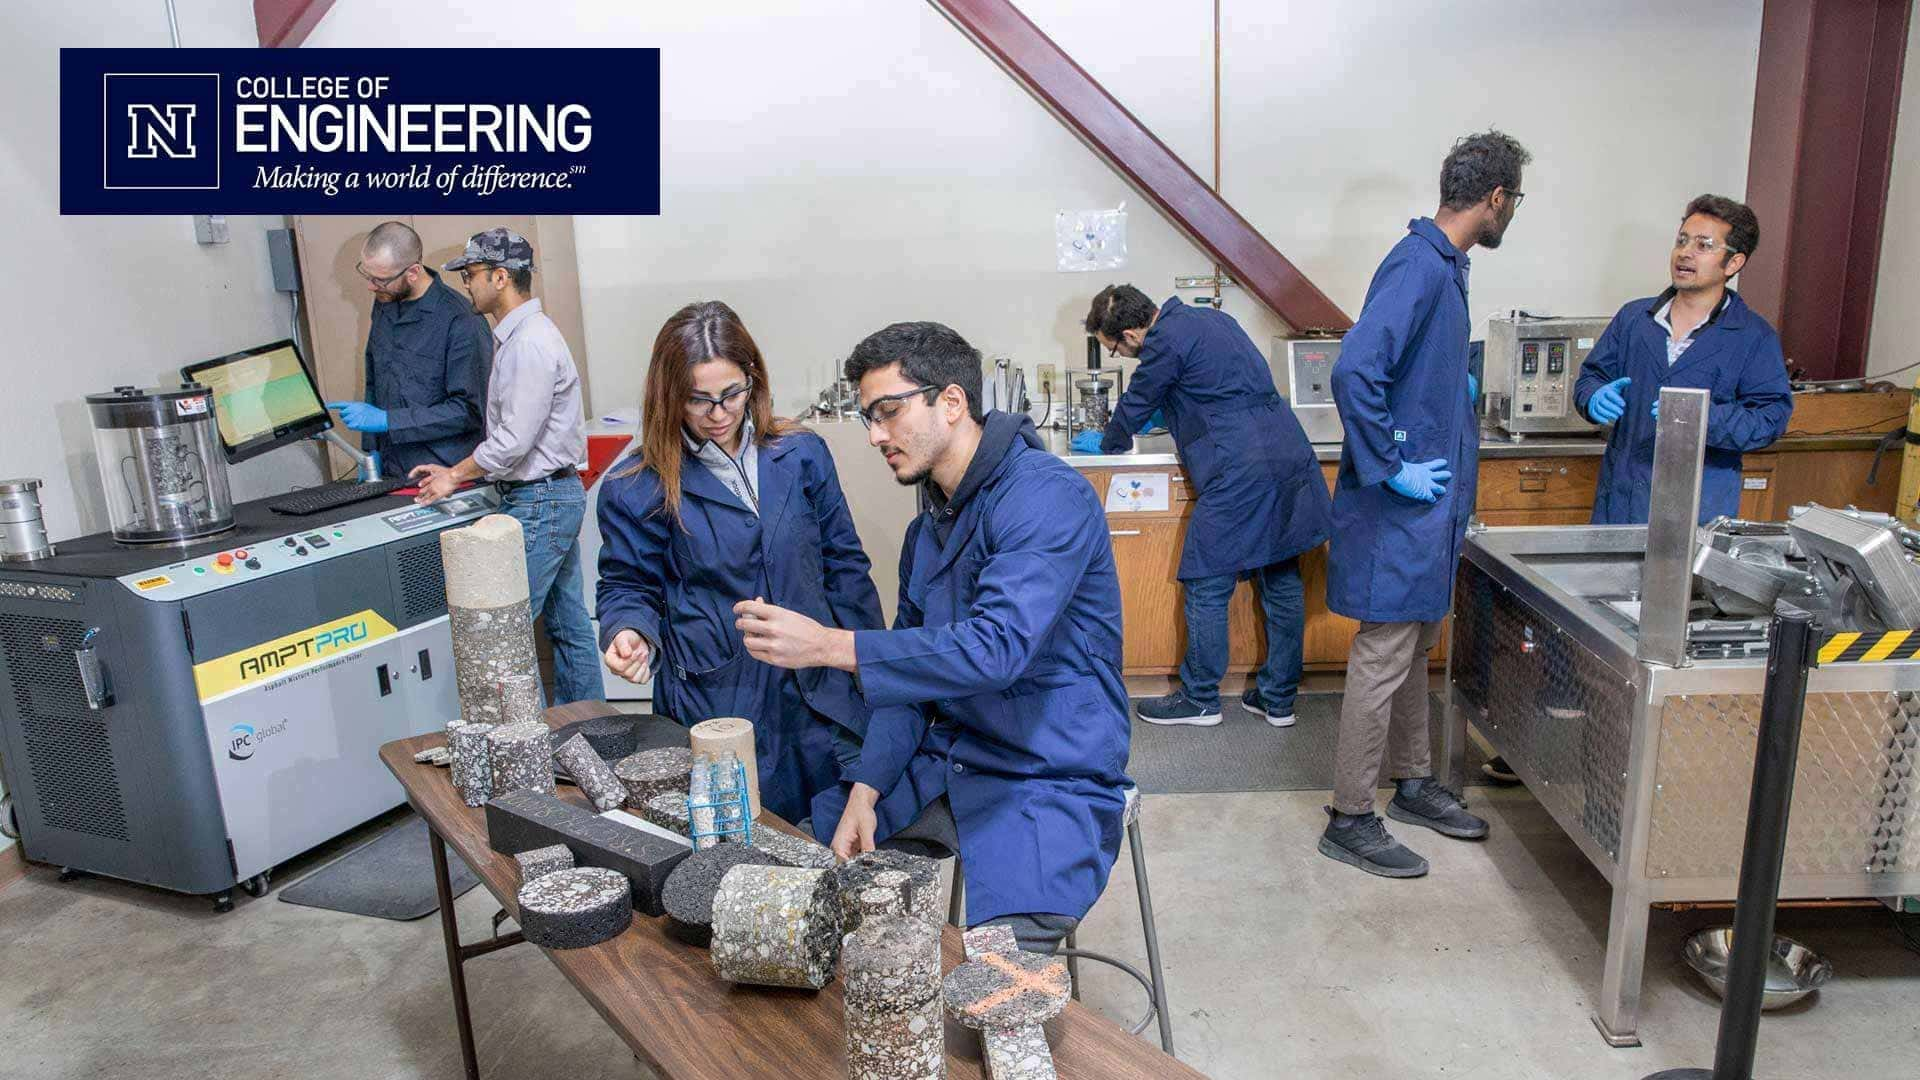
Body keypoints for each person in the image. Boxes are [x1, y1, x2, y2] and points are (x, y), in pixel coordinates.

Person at [732, 322, 1131, 953]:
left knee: (998, 987)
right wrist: (868, 787)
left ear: (951, 402)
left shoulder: (1046, 498)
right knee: (809, 863)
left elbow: (997, 648)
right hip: (953, 753)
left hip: (1047, 764)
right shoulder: (929, 531)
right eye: (868, 417)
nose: (874, 436)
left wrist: (833, 646)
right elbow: (912, 686)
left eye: (888, 413)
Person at [1323, 131, 1531, 878]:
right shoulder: (1419, 264)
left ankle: (1411, 782)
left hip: (1429, 513)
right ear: (1496, 198)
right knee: (1383, 655)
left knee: (1413, 649)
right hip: (1399, 511)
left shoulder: (1446, 267)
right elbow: (1355, 370)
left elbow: (1408, 376)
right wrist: (1392, 464)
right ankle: (1350, 816)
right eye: (1515, 203)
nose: (1512, 214)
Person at [594, 302, 884, 824]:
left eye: (731, 393)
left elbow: (844, 565)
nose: (720, 413)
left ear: (754, 377)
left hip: (816, 686)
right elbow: (626, 583)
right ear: (668, 396)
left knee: (827, 828)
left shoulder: (800, 453)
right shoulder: (636, 485)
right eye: (698, 400)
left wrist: (870, 664)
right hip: (717, 696)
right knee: (738, 842)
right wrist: (629, 629)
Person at [1077, 285, 1331, 728]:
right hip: (1285, 450)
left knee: (1206, 580)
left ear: (1134, 332)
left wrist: (1106, 443)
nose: (1120, 355)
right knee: (1280, 576)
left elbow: (1138, 401)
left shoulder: (1165, 340)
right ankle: (1278, 698)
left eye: (1114, 348)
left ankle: (1199, 699)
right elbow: (1214, 385)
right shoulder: (1212, 320)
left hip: (1240, 466)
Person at [407, 228, 600, 706]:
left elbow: (513, 443)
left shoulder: (529, 344)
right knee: (567, 622)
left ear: (500, 276)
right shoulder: (523, 336)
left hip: (540, 500)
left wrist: (454, 474)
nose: (466, 285)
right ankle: (588, 733)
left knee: (507, 634)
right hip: (549, 496)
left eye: (471, 275)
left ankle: (528, 746)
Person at [1574, 195, 1792, 524]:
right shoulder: (1634, 319)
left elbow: (1769, 419)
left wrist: (1704, 418)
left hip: (1697, 513)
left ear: (1733, 264)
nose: (1685, 253)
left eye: (1704, 245)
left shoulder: (1753, 337)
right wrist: (1592, 397)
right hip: (1620, 502)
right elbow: (1591, 377)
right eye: (1682, 240)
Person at [327, 221, 492, 480]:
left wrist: (388, 421)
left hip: (444, 474)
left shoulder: (461, 321)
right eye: (367, 275)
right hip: (393, 471)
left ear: (413, 272)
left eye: (380, 280)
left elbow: (468, 412)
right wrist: (371, 451)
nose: (371, 286)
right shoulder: (386, 301)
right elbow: (376, 380)